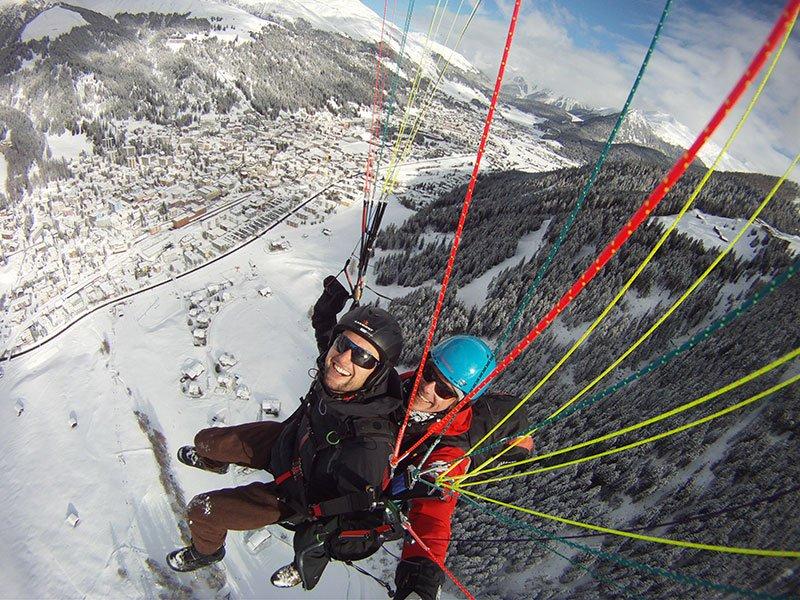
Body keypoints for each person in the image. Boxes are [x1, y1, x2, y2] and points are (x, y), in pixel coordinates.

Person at [166, 292, 404, 589]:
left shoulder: (367, 444)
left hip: (294, 498)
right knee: (206, 441)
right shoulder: (338, 372)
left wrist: (318, 550)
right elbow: (323, 329)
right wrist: (333, 298)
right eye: (344, 344)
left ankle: (206, 552)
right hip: (288, 443)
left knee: (202, 510)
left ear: (378, 373)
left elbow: (360, 520)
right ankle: (212, 461)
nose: (343, 359)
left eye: (363, 356)